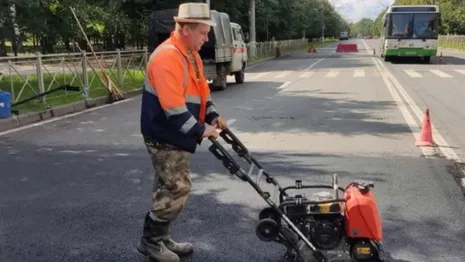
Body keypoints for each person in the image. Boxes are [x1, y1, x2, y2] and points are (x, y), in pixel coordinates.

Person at [137, 2, 228, 262]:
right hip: (163, 133)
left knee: (167, 186)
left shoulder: (190, 54)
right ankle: (151, 242)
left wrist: (212, 115)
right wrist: (202, 130)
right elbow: (174, 109)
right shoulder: (167, 56)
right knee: (178, 187)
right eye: (203, 32)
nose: (207, 37)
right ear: (186, 29)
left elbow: (200, 93)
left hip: (176, 132)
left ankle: (161, 238)